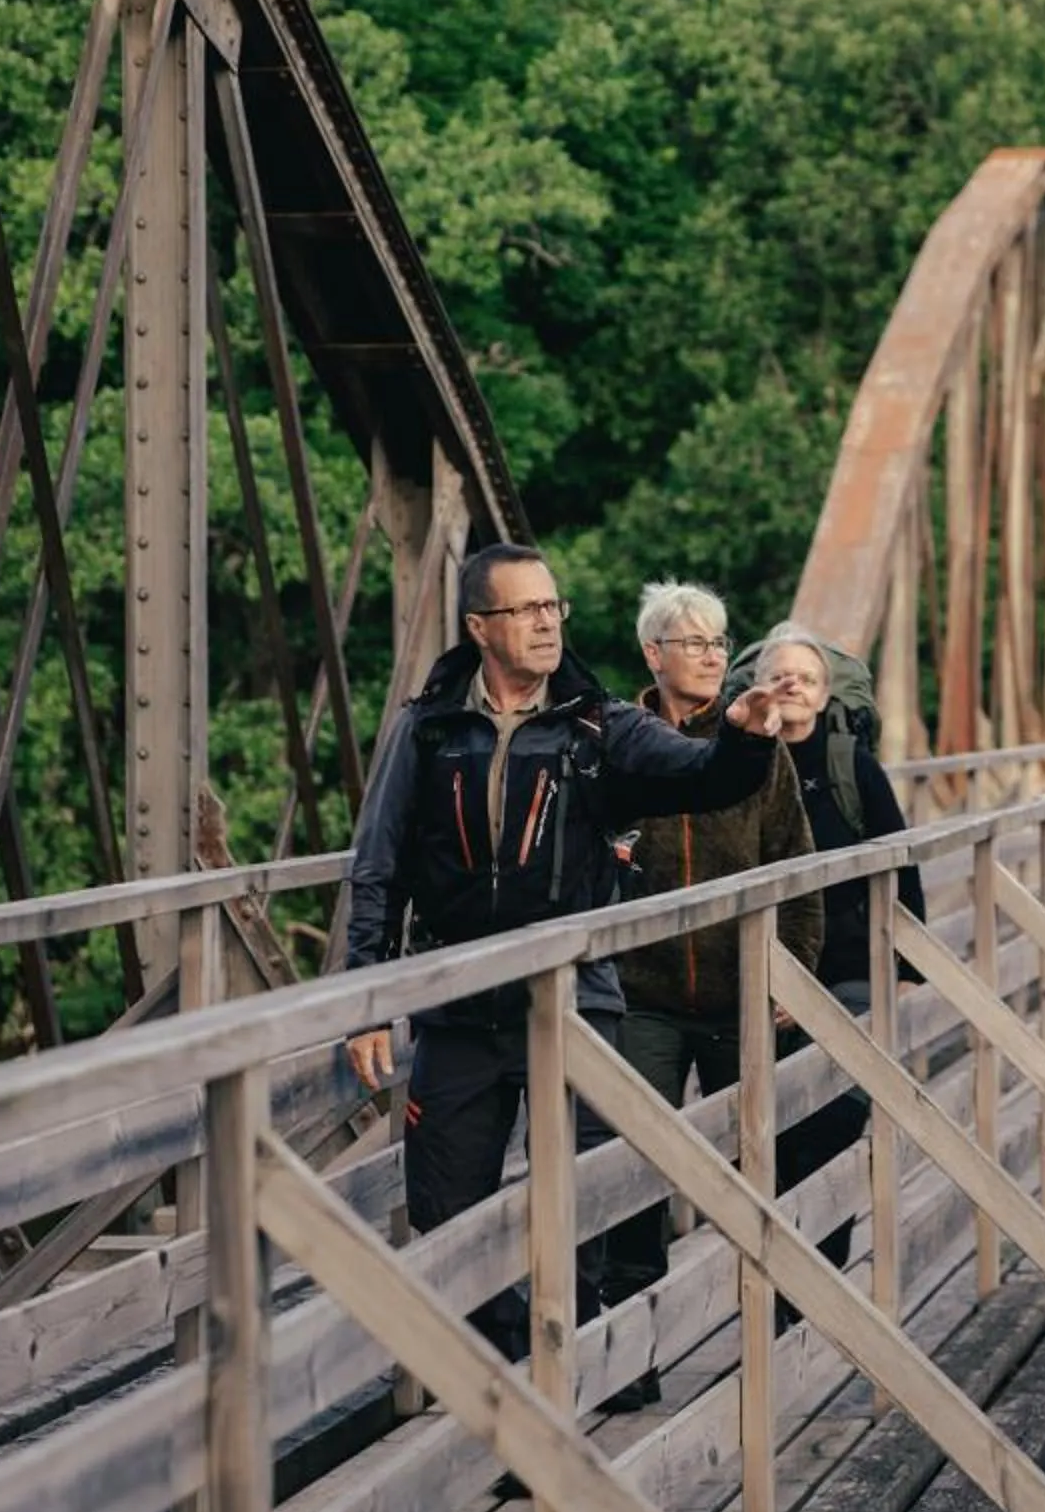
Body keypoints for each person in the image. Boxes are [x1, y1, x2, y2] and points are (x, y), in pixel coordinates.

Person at [341, 544, 788, 1361]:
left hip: (574, 1008)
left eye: (555, 607)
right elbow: (378, 864)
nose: (547, 622)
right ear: (481, 627)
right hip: (458, 1006)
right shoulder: (428, 728)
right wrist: (364, 1000)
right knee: (446, 1227)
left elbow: (699, 777)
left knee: (580, 1218)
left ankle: (562, 1399)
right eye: (526, 610)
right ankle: (513, 1366)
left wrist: (743, 739)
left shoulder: (596, 724)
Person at [607, 583, 824, 1359]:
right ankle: (631, 1355)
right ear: (652, 654)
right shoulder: (617, 743)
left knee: (758, 1166)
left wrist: (791, 973)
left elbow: (796, 867)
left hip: (740, 996)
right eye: (694, 643)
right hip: (643, 995)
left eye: (720, 644)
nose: (711, 657)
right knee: (631, 1172)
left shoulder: (757, 748)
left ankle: (776, 1335)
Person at [752, 624, 925, 1299]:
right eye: (782, 672)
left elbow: (897, 860)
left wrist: (910, 966)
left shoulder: (852, 764)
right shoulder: (739, 761)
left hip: (847, 970)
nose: (794, 683)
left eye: (809, 677)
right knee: (775, 1144)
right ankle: (785, 1299)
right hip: (762, 975)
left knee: (831, 1119)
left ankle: (820, 1285)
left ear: (826, 698)